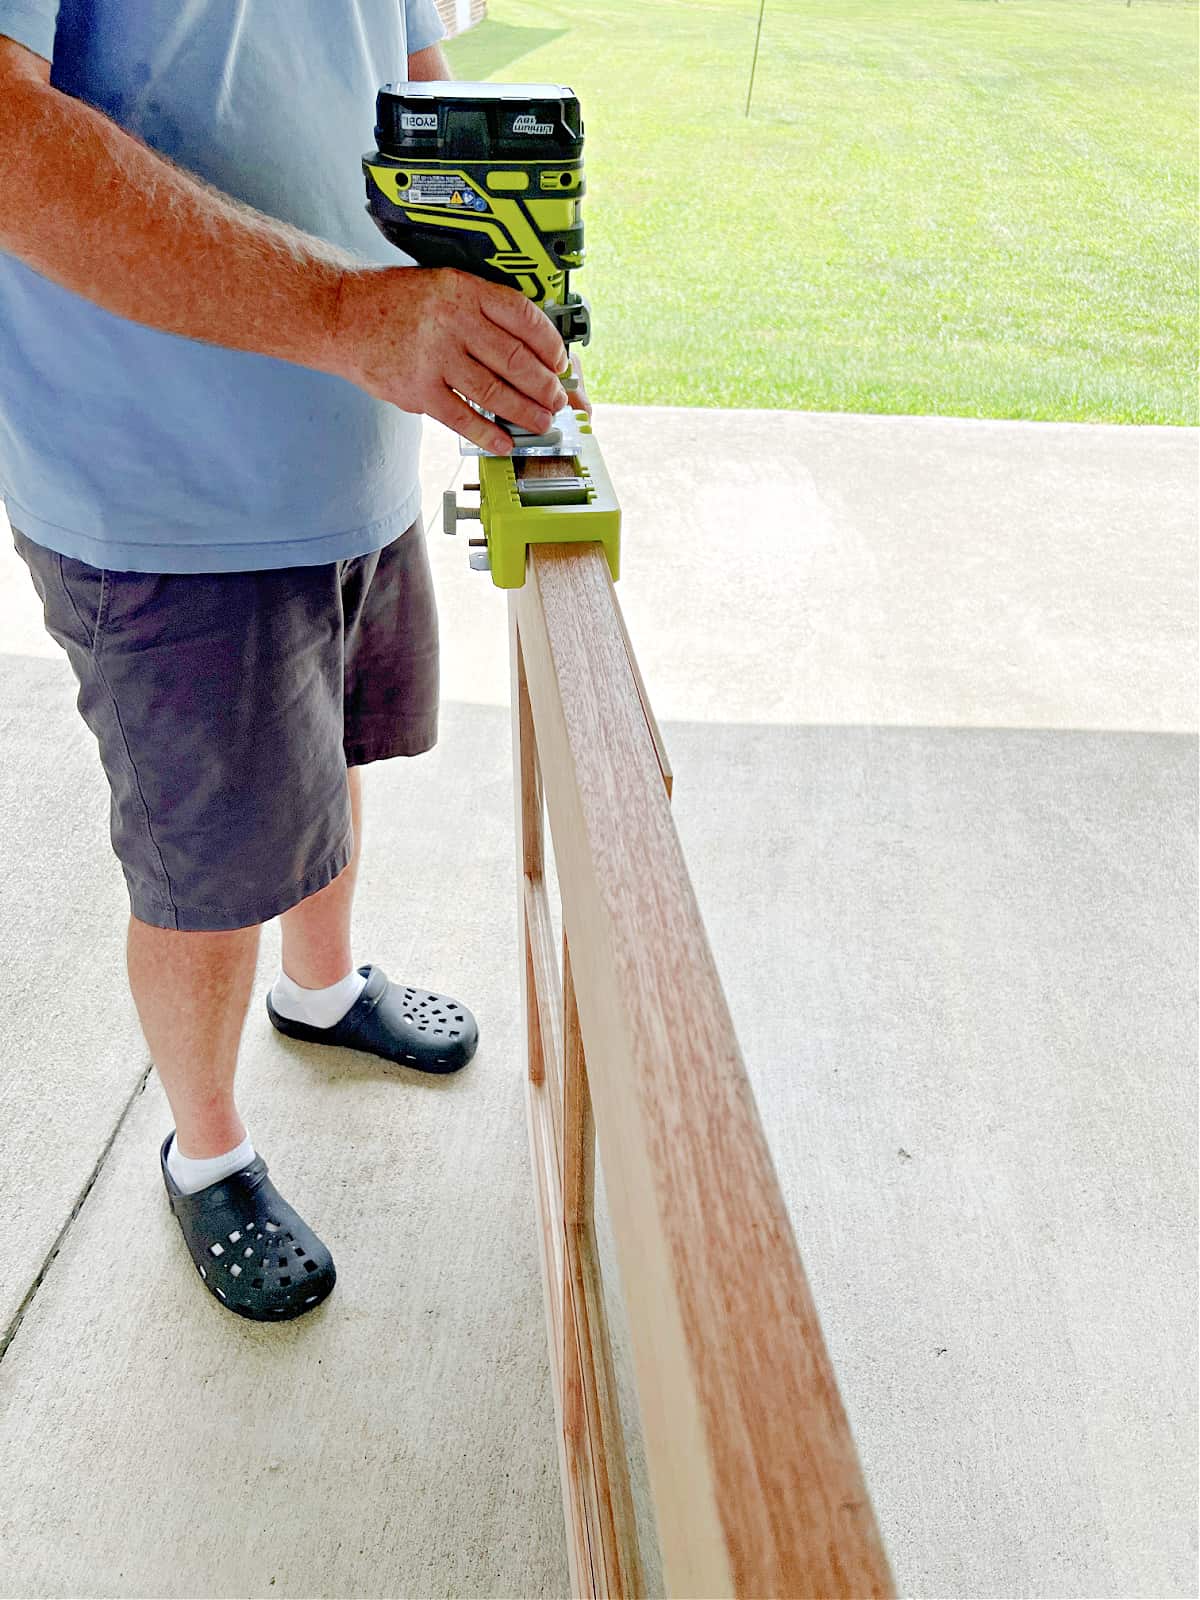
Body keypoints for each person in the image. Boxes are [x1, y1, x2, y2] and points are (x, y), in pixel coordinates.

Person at [0, 4, 580, 1323]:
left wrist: (513, 283)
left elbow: (414, 81)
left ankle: (321, 992)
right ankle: (207, 1153)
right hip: (162, 486)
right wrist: (350, 315)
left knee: (330, 753)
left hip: (358, 437)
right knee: (207, 869)